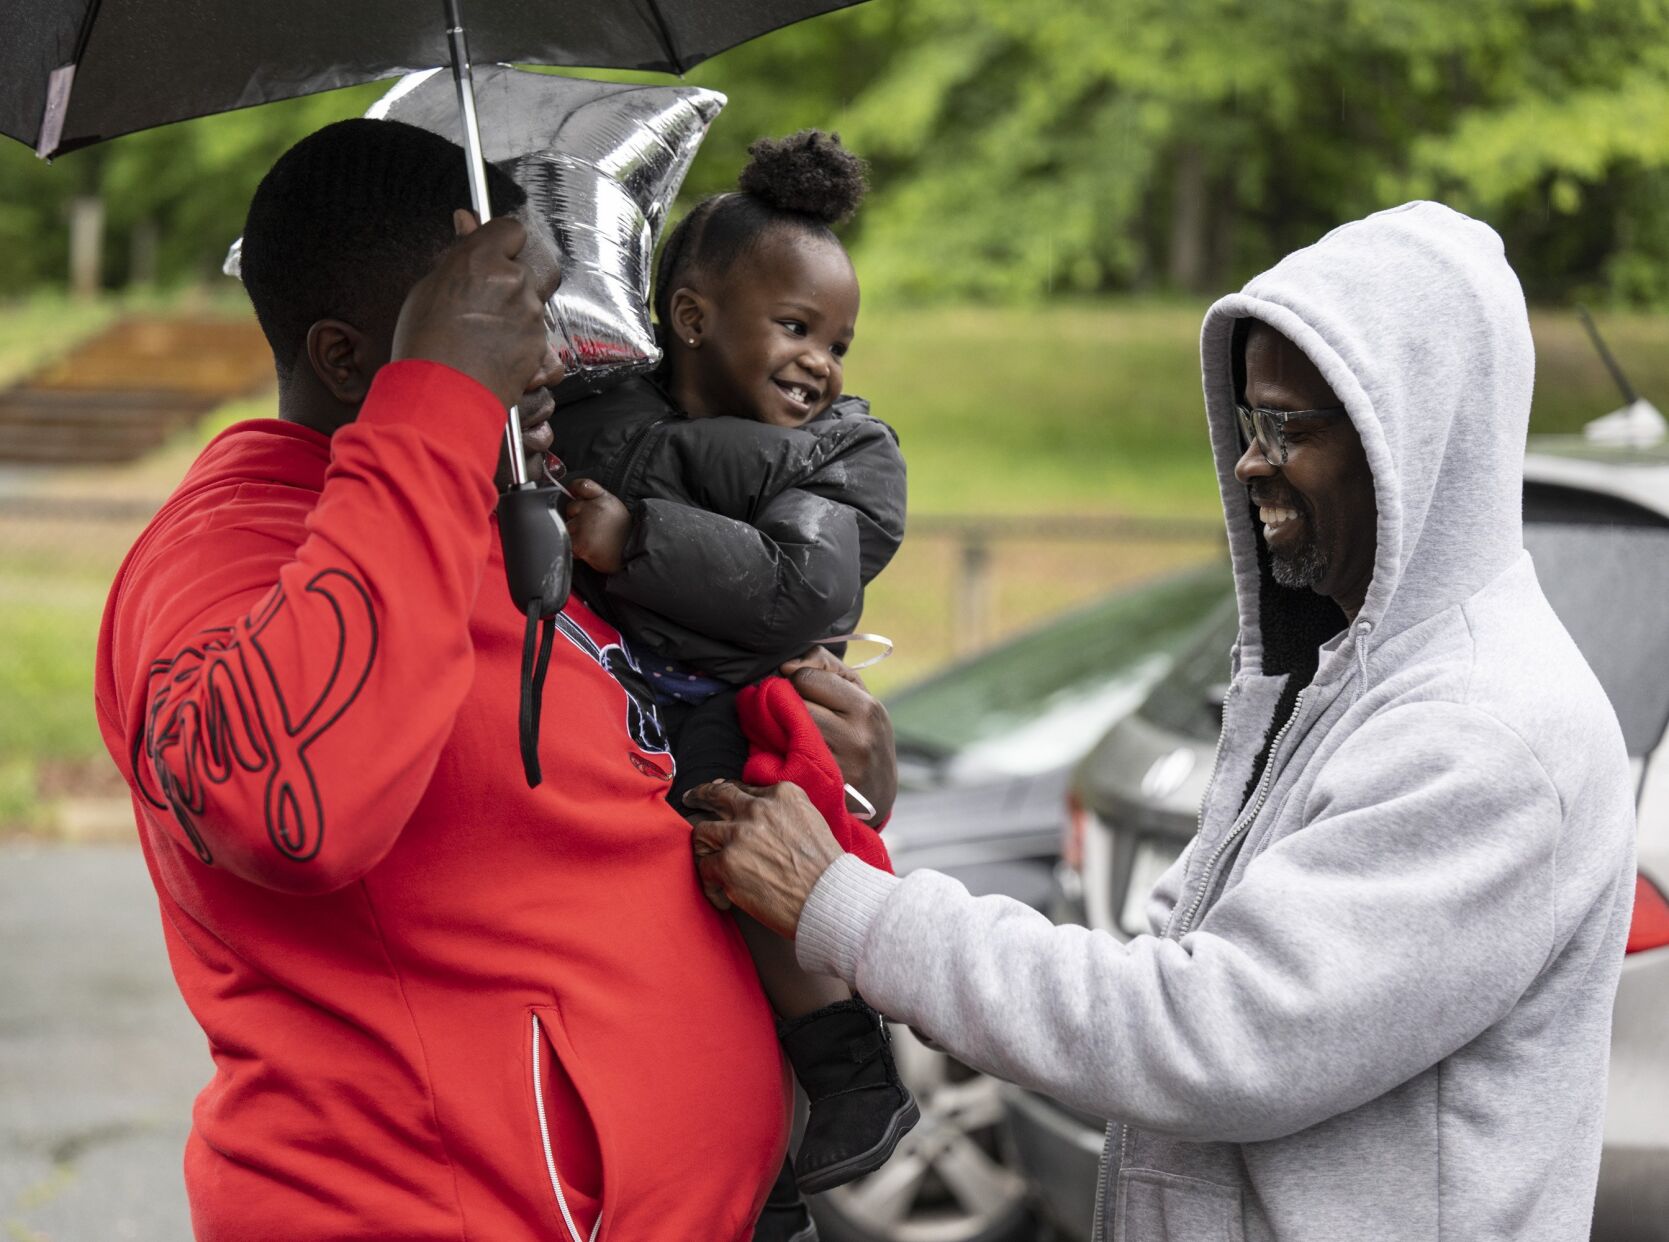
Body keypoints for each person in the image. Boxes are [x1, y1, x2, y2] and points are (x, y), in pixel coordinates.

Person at [686, 201, 1639, 1241]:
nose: (1247, 462)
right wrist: (863, 820)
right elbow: (1138, 974)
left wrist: (846, 905)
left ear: (1403, 438)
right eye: (1245, 422)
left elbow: (1204, 1037)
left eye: (1285, 429)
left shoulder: (1484, 735)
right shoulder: (1338, 686)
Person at [93, 117, 895, 1242]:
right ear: (346, 359)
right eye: (499, 324)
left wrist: (839, 789)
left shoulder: (478, 512)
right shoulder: (221, 551)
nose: (555, 356)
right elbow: (289, 808)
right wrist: (438, 402)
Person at [549, 129, 915, 1228]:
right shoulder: (597, 418)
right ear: (694, 318)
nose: (822, 363)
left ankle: (852, 1073)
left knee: (746, 841)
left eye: (838, 340)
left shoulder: (845, 451)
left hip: (739, 710)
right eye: (795, 328)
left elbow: (802, 590)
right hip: (641, 728)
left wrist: (637, 537)